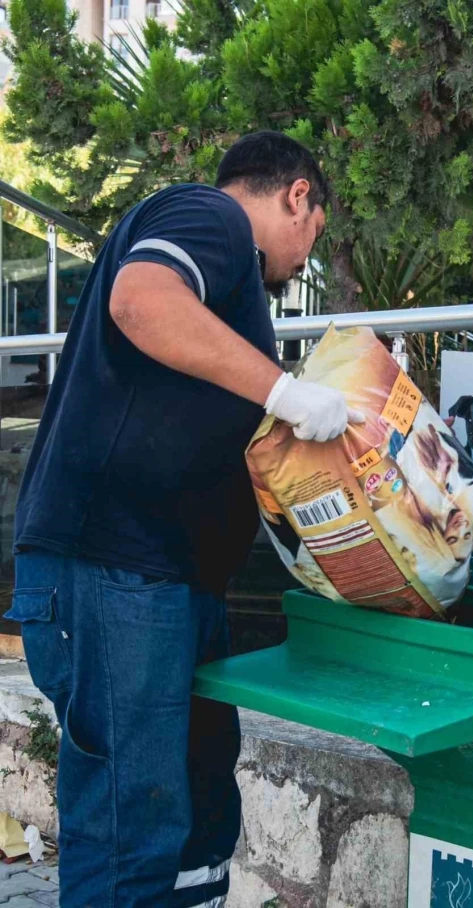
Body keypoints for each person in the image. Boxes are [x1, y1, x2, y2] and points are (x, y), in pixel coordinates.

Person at [7, 131, 362, 907]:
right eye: (313, 238)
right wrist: (286, 392)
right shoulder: (210, 217)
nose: (303, 262)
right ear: (297, 195)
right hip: (114, 569)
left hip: (167, 579)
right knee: (131, 831)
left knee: (196, 821)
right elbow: (140, 300)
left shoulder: (229, 285)